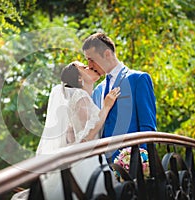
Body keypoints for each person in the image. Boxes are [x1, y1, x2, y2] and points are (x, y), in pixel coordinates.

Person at [11, 61, 120, 200]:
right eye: (84, 67)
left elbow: (73, 131)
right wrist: (106, 107)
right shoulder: (80, 96)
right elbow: (89, 133)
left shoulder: (77, 96)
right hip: (85, 158)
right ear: (79, 78)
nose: (88, 67)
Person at [82, 32, 157, 162]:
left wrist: (144, 162)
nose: (89, 65)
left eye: (91, 59)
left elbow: (148, 126)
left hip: (134, 165)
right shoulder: (98, 90)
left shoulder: (138, 79)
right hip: (105, 167)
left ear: (106, 54)